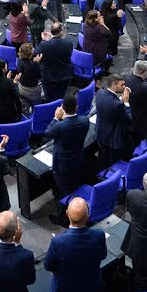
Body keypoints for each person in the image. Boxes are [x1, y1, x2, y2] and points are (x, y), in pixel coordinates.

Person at [44, 197, 106, 292]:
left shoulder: (58, 242)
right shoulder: (99, 235)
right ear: (88, 215)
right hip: (90, 289)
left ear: (67, 214)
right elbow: (103, 255)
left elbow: (48, 265)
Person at [45, 95, 89, 224]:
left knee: (64, 190)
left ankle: (64, 217)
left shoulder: (60, 126)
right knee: (74, 184)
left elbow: (47, 132)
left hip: (62, 164)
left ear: (63, 109)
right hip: (78, 159)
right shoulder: (84, 121)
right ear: (77, 107)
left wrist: (56, 118)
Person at [95, 73, 132, 166]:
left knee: (102, 157)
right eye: (122, 85)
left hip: (100, 133)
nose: (124, 86)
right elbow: (128, 119)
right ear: (114, 86)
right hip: (113, 138)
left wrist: (120, 99)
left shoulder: (100, 93)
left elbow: (111, 104)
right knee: (113, 161)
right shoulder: (117, 105)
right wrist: (126, 102)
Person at [36, 22, 75, 101]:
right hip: (64, 75)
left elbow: (36, 53)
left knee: (50, 97)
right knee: (61, 95)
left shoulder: (44, 45)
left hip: (49, 77)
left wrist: (44, 41)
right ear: (61, 32)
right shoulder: (68, 43)